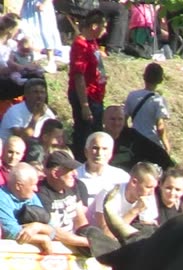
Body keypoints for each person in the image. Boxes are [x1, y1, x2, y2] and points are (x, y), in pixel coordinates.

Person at [67, 11, 108, 161]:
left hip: (96, 93)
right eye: (103, 27)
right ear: (94, 26)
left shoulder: (93, 43)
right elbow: (78, 76)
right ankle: (81, 160)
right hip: (86, 96)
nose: (105, 31)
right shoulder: (80, 45)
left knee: (96, 130)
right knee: (85, 133)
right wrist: (84, 105)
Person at [35, 150, 91, 252]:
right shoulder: (40, 194)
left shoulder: (74, 186)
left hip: (73, 244)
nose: (75, 173)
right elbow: (51, 232)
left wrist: (89, 237)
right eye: (70, 170)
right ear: (55, 173)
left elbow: (80, 219)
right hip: (50, 249)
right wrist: (85, 242)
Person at [92, 161, 160, 237]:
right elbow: (106, 234)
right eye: (148, 187)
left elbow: (147, 227)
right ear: (134, 182)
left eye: (154, 187)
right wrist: (135, 210)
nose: (152, 192)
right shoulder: (109, 193)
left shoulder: (148, 195)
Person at [122, 62, 171, 157]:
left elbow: (124, 119)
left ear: (144, 77)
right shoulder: (159, 100)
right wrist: (166, 144)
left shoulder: (132, 95)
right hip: (152, 142)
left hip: (135, 140)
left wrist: (128, 135)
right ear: (160, 80)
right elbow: (160, 126)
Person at [76, 132, 129, 209]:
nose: (99, 153)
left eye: (104, 149)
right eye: (95, 148)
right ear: (86, 151)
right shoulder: (74, 176)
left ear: (111, 153)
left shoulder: (122, 177)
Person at [0, 77, 54, 142]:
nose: (39, 96)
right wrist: (35, 116)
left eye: (42, 92)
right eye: (35, 92)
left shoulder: (49, 114)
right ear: (26, 94)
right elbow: (23, 138)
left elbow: (55, 138)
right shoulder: (15, 111)